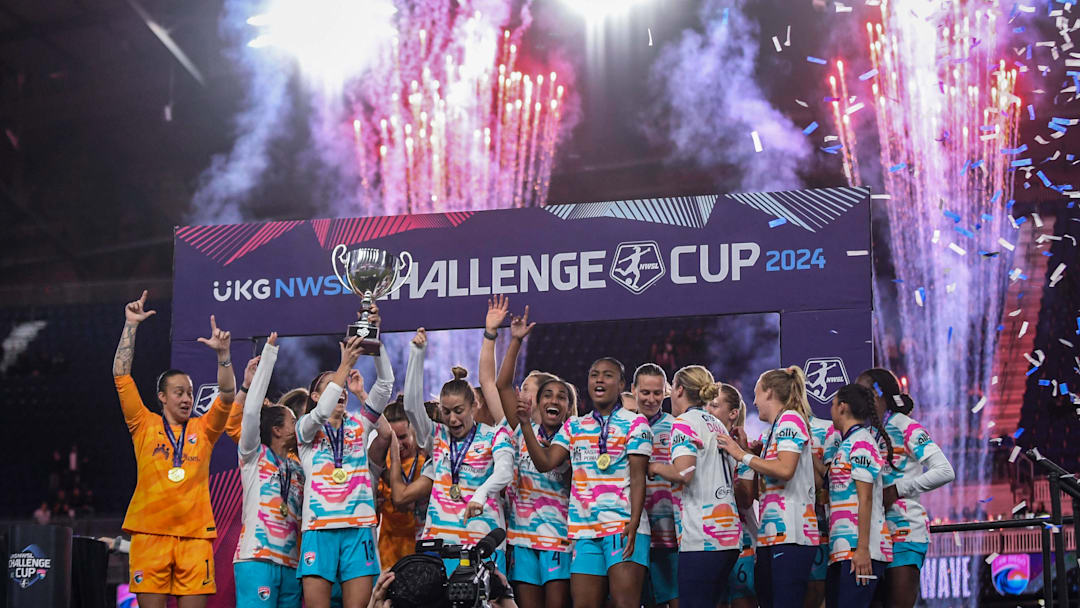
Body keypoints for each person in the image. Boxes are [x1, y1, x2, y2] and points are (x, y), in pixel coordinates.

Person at [112, 291, 236, 608]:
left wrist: (223, 356)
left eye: (190, 393)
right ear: (162, 397)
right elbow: (121, 376)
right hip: (149, 535)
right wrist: (130, 325)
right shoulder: (143, 424)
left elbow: (226, 394)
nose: (186, 399)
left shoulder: (204, 429)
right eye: (179, 392)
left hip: (195, 539)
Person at [389, 299, 515, 575]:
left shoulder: (496, 435)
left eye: (459, 411)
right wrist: (417, 355)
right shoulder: (436, 436)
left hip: (483, 540)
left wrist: (480, 494)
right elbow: (411, 406)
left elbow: (505, 472)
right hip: (438, 541)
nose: (453, 419)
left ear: (474, 407)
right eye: (446, 412)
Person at [517, 356, 652, 608]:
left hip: (622, 526)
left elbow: (638, 477)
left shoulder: (635, 422)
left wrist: (634, 522)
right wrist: (525, 425)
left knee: (624, 604)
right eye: (594, 374)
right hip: (584, 531)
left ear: (621, 384)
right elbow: (545, 462)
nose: (599, 379)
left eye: (608, 375)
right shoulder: (574, 425)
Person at [295, 316, 395, 608]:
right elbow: (320, 412)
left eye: (341, 387)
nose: (340, 391)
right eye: (331, 387)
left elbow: (385, 385)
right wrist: (343, 366)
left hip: (359, 526)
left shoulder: (359, 424)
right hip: (319, 527)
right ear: (316, 396)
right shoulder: (306, 428)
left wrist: (375, 342)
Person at [485, 304, 573, 608]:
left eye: (561, 397)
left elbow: (544, 462)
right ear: (538, 402)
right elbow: (501, 385)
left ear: (567, 408)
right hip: (522, 539)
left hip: (558, 539)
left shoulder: (572, 435)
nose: (553, 400)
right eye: (547, 394)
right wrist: (516, 340)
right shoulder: (523, 428)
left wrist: (523, 425)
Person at [717, 367, 819, 608]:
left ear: (770, 393)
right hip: (771, 535)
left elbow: (785, 469)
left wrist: (741, 454)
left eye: (757, 394)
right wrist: (749, 453)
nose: (754, 402)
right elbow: (761, 488)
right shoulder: (774, 428)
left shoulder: (790, 419)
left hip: (792, 534)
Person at [649, 367, 747, 608]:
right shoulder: (717, 424)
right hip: (729, 535)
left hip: (703, 536)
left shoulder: (684, 422)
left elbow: (684, 472)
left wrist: (655, 467)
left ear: (679, 390)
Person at [856, 368, 954, 608]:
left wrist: (898, 490)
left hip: (905, 533)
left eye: (861, 391)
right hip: (874, 537)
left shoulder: (905, 426)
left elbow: (945, 471)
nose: (856, 397)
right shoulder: (867, 433)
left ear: (876, 394)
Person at [233, 333, 306, 607]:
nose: (298, 426)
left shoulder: (298, 468)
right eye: (293, 422)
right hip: (256, 557)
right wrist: (268, 359)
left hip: (291, 563)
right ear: (276, 429)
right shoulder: (253, 455)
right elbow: (251, 413)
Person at [825, 384, 893, 607]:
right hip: (842, 549)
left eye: (833, 404)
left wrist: (862, 549)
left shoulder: (861, 442)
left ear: (842, 407)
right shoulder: (847, 443)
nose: (831, 410)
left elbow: (865, 498)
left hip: (860, 551)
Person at [632, 364, 679, 608]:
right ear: (633, 390)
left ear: (666, 392)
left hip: (669, 533)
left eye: (657, 393)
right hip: (633, 534)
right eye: (645, 392)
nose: (651, 399)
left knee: (675, 599)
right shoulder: (622, 426)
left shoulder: (676, 427)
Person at [708, 383, 758, 608]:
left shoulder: (743, 452)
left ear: (733, 413)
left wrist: (732, 462)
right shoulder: (701, 447)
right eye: (707, 404)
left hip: (743, 542)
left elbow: (745, 500)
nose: (708, 410)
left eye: (714, 405)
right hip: (709, 541)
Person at [376, 395, 428, 569]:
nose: (397, 444)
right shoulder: (380, 464)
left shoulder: (427, 465)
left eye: (402, 437)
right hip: (388, 551)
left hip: (420, 547)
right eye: (392, 439)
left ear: (413, 431)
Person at [806, 412, 841, 608]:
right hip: (778, 532)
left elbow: (829, 484)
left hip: (820, 530)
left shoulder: (827, 429)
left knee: (816, 594)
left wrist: (806, 452)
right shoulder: (768, 433)